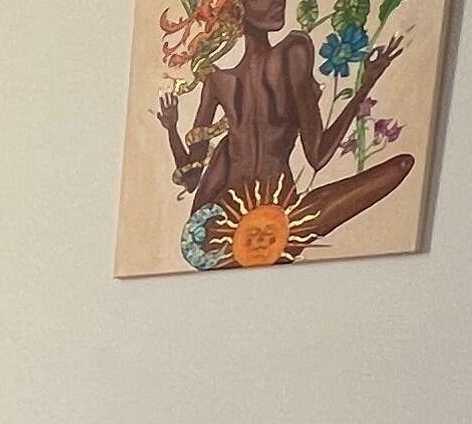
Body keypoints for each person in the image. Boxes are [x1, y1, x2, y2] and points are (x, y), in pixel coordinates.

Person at [154, 0, 413, 267]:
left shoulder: (292, 53)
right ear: (238, 6)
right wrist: (172, 129)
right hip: (228, 225)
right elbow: (192, 178)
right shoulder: (218, 81)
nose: (280, 1)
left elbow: (317, 154)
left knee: (401, 166)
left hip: (278, 215)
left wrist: (365, 85)